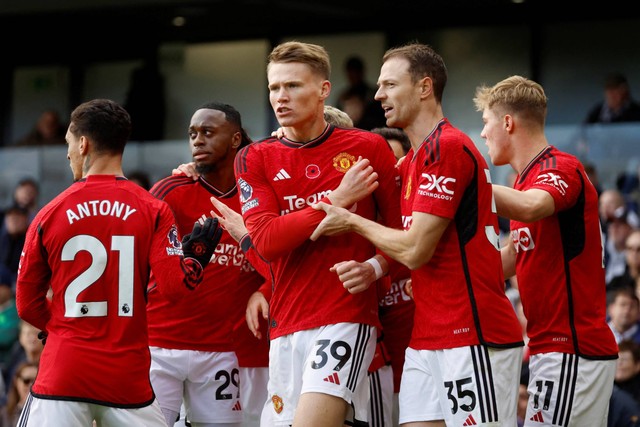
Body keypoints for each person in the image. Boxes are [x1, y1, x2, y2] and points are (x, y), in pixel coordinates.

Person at [310, 42, 524, 426]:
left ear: (425, 87)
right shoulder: (413, 159)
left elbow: (414, 250)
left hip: (472, 334)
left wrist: (352, 220)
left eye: (390, 84)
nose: (378, 95)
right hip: (427, 338)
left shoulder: (448, 147)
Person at [14, 98, 223, 427]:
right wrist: (193, 263)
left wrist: (63, 328)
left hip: (63, 372)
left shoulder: (49, 212)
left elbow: (26, 305)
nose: (68, 153)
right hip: (126, 378)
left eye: (69, 144)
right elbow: (174, 289)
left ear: (83, 144)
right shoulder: (152, 208)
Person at [232, 40, 402, 426]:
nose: (280, 97)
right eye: (274, 87)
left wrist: (376, 266)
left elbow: (401, 233)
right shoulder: (254, 156)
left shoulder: (368, 148)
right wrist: (337, 198)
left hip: (346, 316)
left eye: (292, 86)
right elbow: (268, 241)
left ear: (324, 90)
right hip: (286, 323)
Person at [473, 75, 619, 426]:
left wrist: (465, 183)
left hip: (571, 348)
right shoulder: (524, 180)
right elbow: (508, 258)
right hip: (553, 350)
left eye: (485, 123)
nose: (482, 134)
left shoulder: (560, 167)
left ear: (507, 123)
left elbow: (531, 207)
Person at [147, 101, 269, 427]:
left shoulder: (258, 195)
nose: (197, 140)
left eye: (208, 132)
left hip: (220, 350)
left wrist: (266, 290)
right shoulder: (170, 190)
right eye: (192, 134)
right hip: (159, 344)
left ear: (235, 139)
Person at [336, 55, 386, 130]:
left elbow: (381, 121)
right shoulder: (343, 96)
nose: (353, 76)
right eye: (351, 72)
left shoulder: (374, 95)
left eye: (355, 72)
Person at [3, 361, 38, 427]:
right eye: (26, 381)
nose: (31, 385)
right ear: (16, 381)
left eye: (35, 381)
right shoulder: (4, 414)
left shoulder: (43, 412)